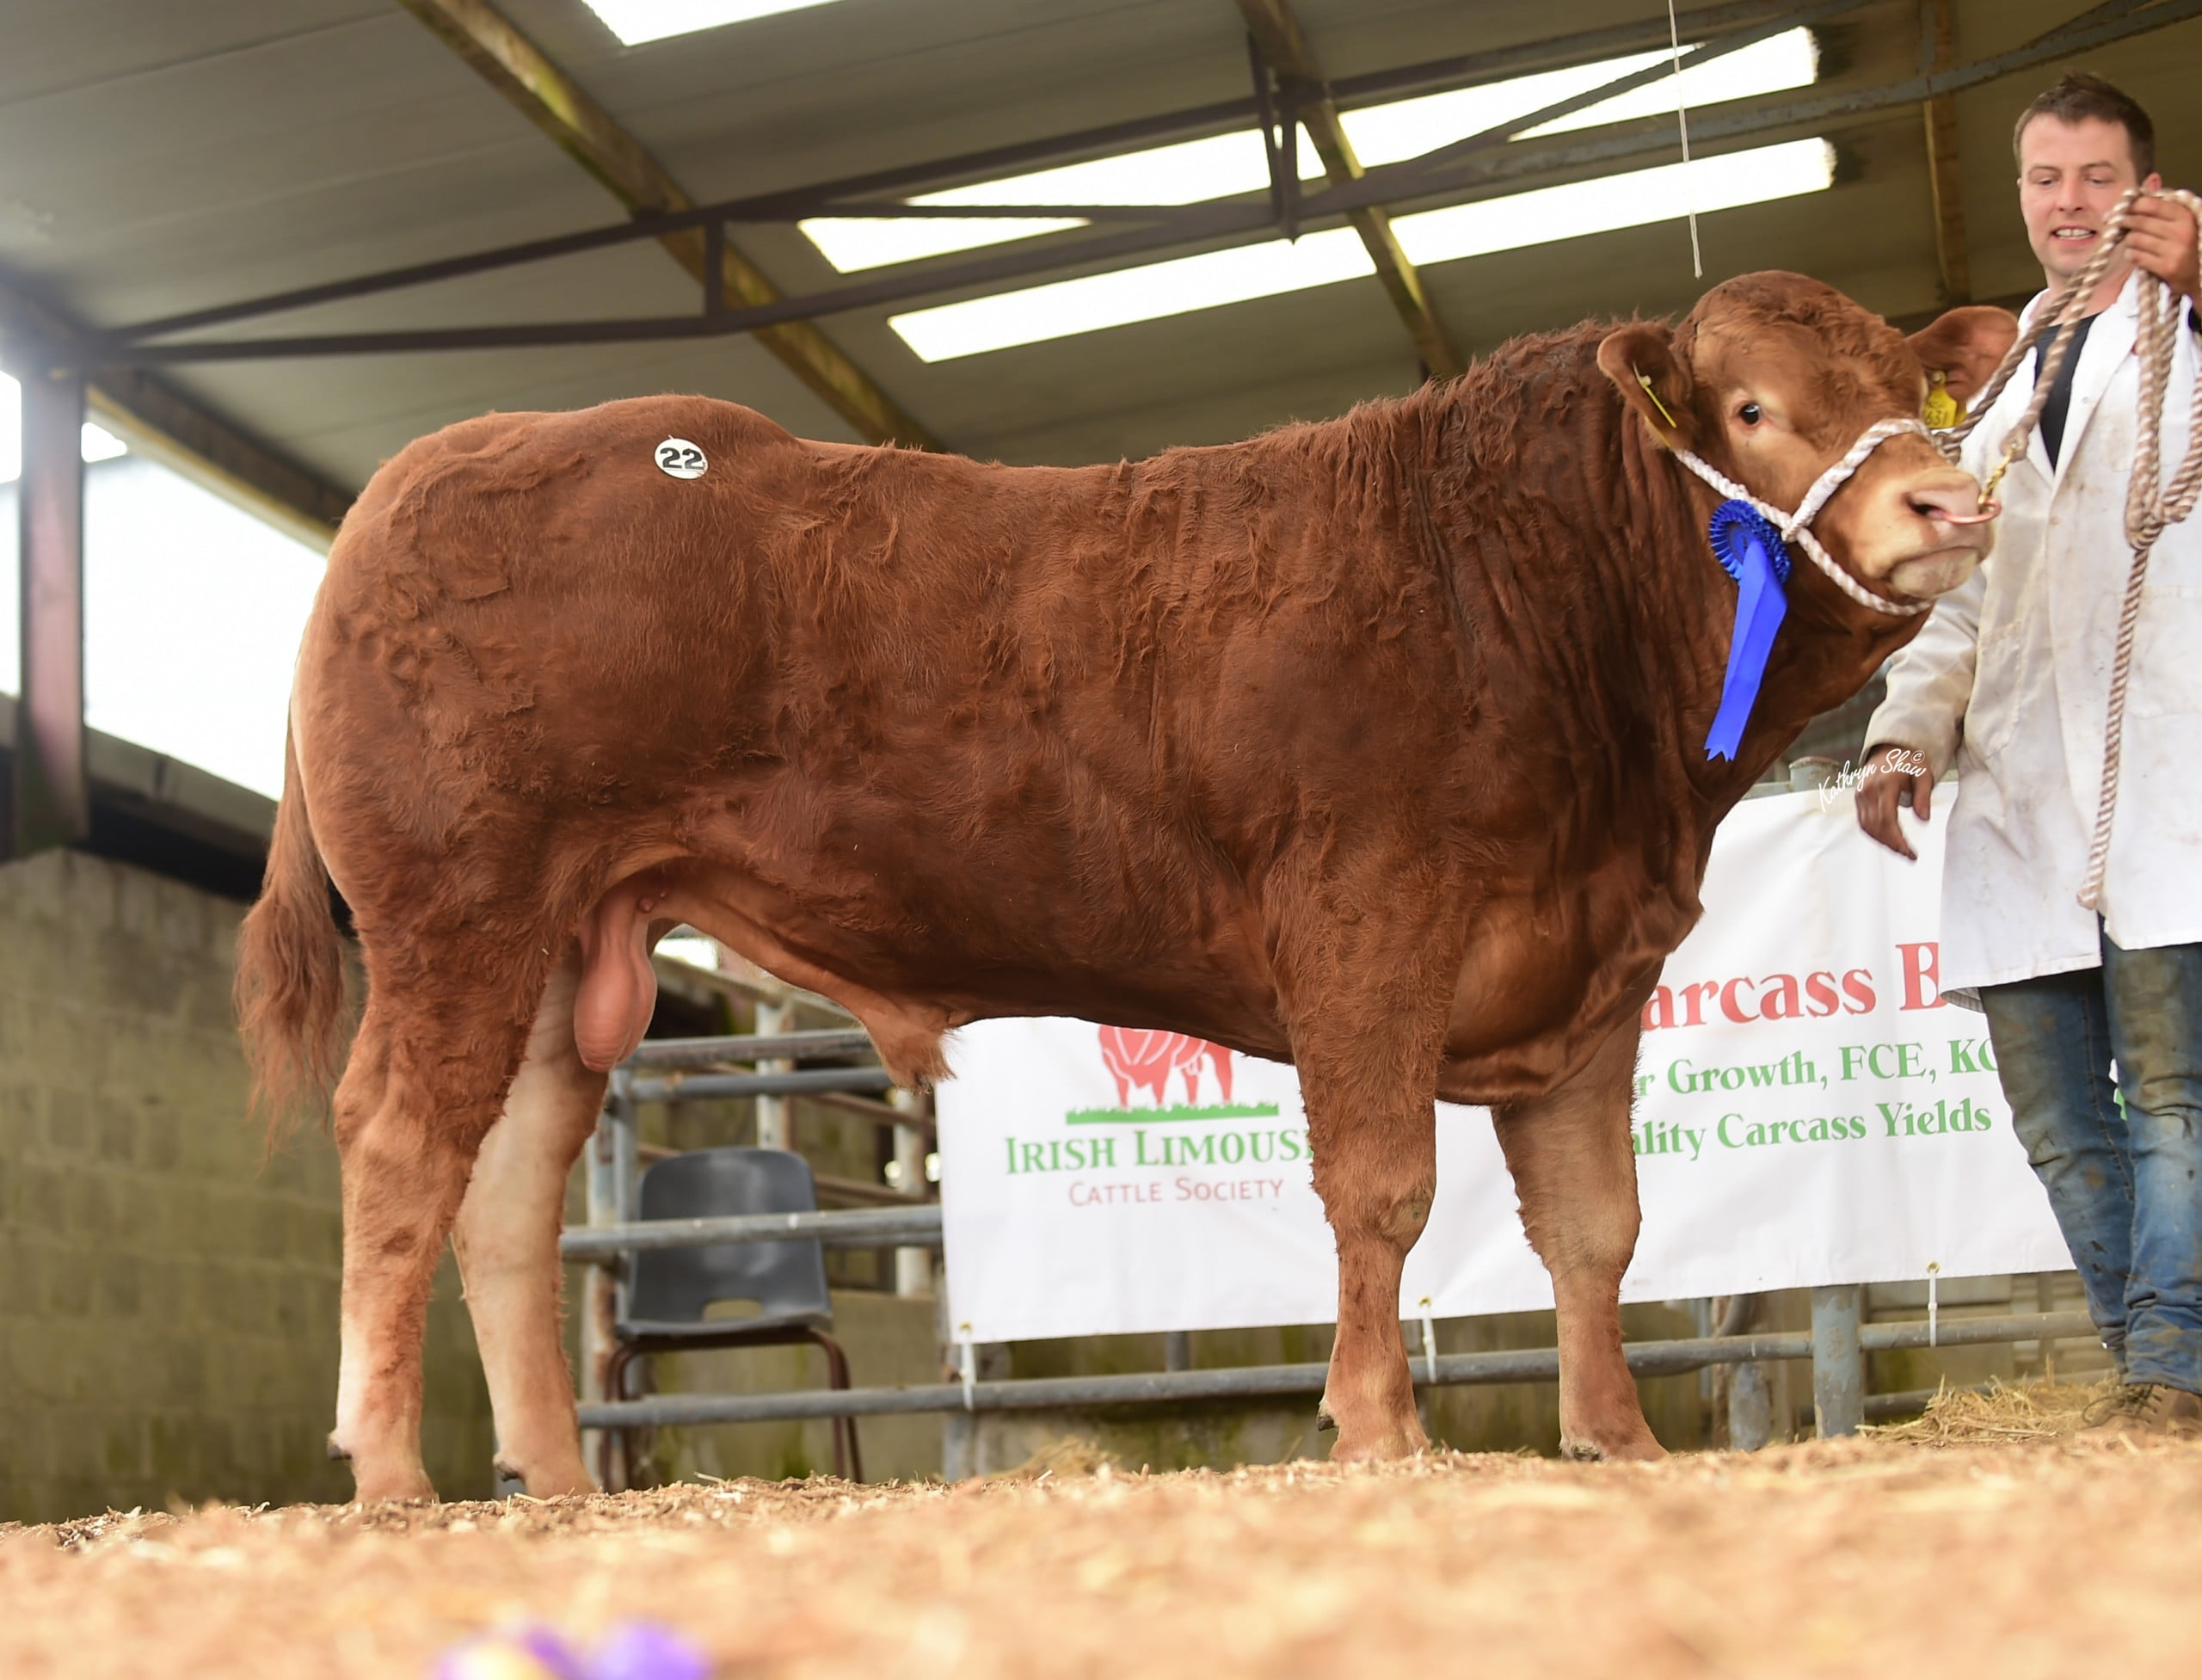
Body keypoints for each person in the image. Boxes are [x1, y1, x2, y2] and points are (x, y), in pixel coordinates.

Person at [1855, 72, 2202, 1437]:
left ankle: (2171, 1369)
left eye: (2098, 176)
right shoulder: (1999, 386)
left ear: (2147, 188)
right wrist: (1903, 730)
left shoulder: (2188, 327)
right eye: (2047, 178)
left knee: (2174, 1096)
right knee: (2057, 1117)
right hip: (2019, 792)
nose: (2071, 203)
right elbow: (1961, 597)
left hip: (2165, 774)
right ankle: (2152, 1365)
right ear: (2020, 195)